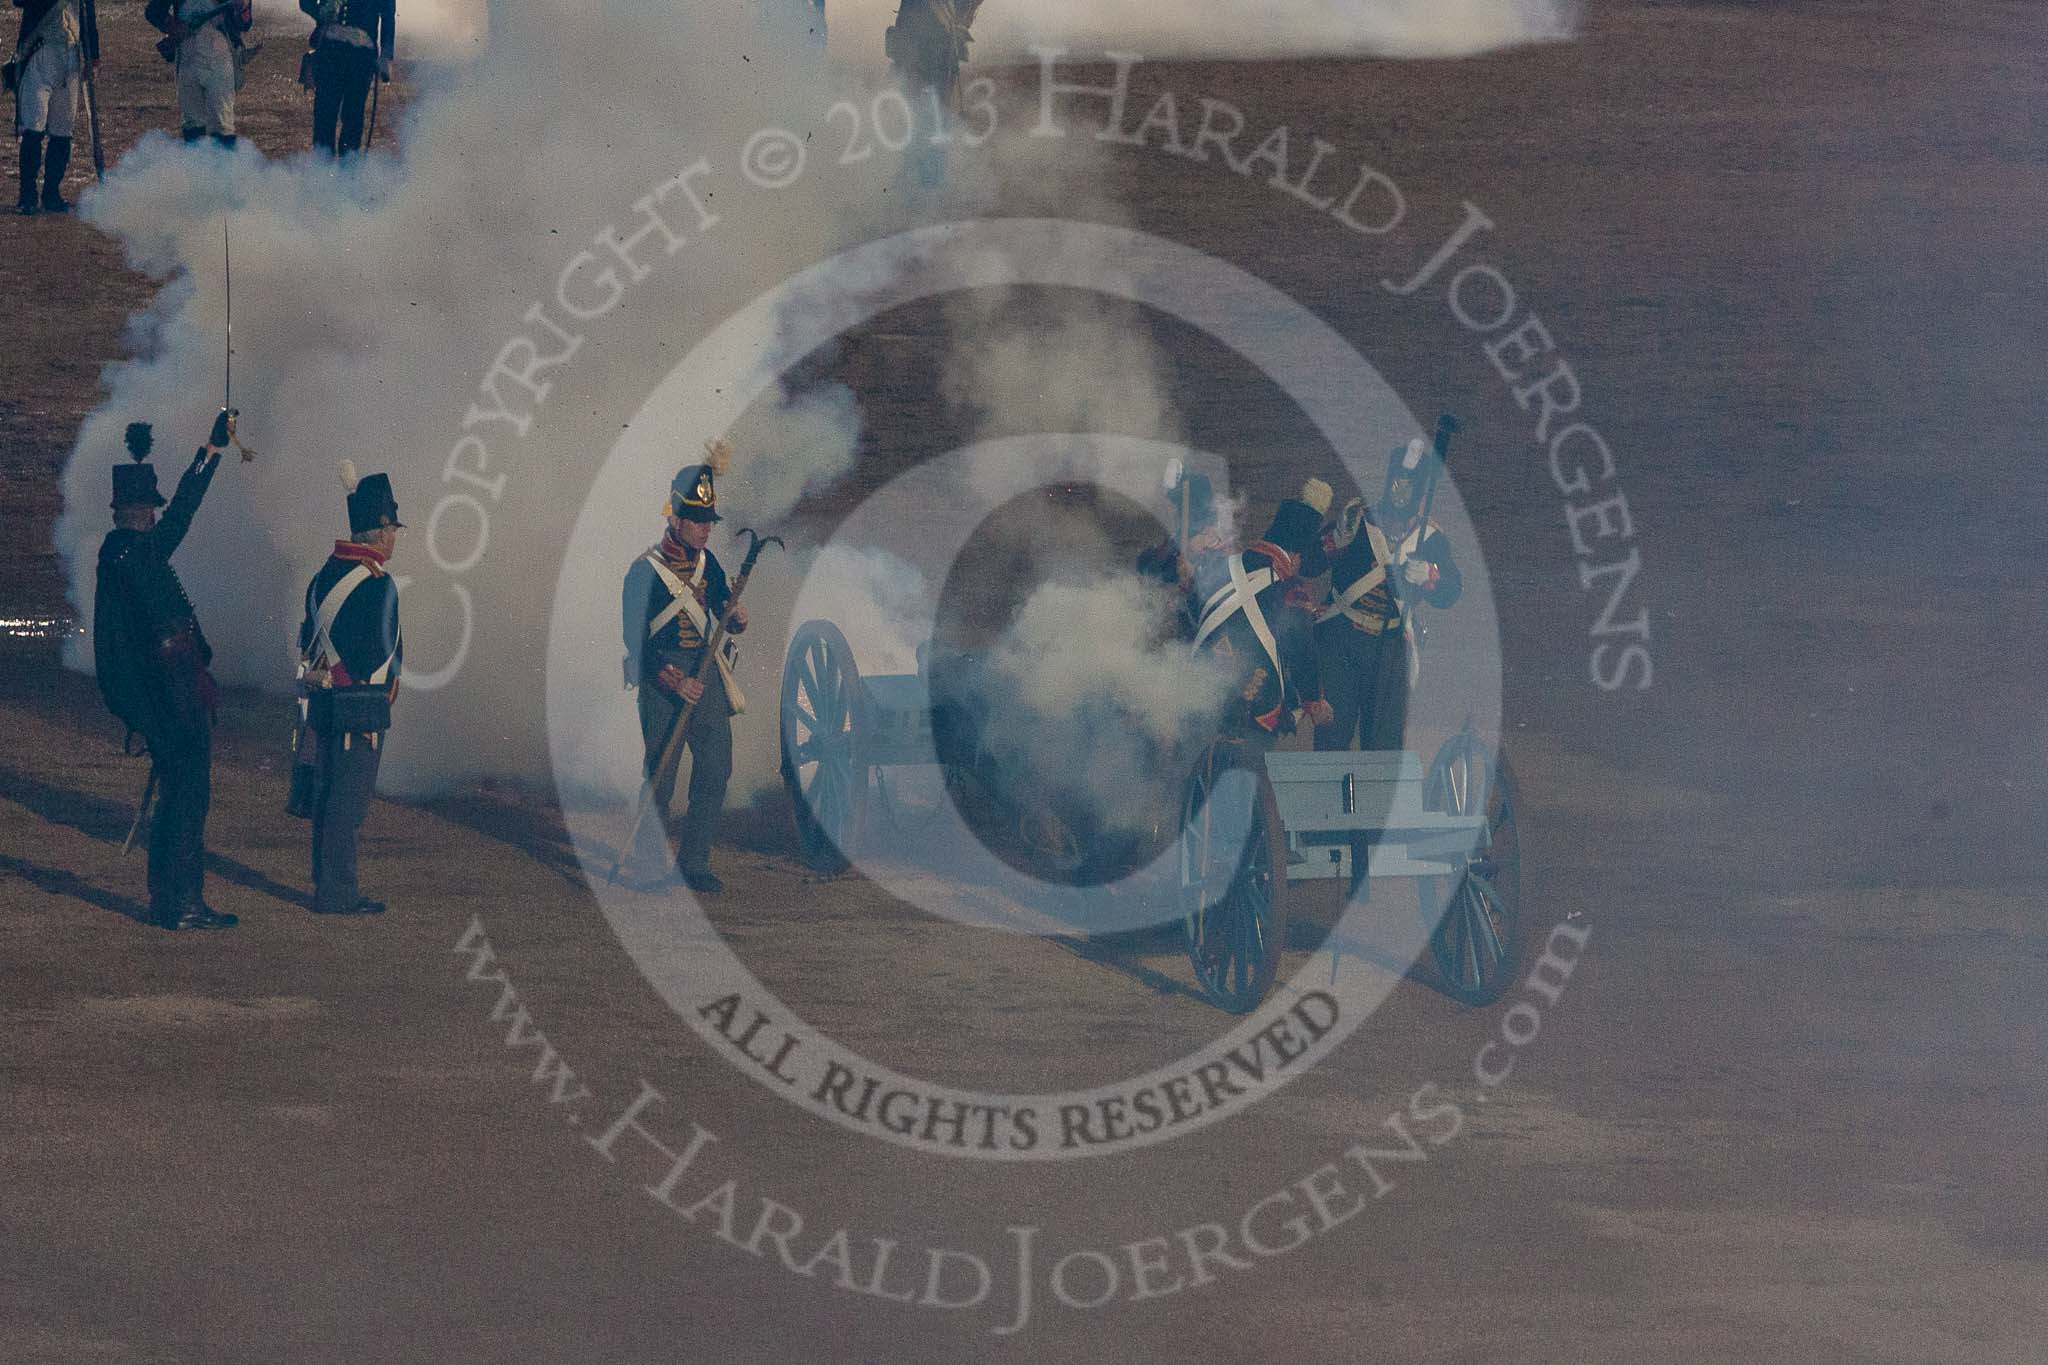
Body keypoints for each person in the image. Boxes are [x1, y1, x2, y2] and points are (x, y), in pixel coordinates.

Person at [93, 413, 234, 930]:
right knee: (186, 802)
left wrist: (210, 454)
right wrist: (208, 456)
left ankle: (170, 901)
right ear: (136, 511)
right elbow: (180, 520)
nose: (154, 515)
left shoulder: (126, 553)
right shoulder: (133, 557)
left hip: (166, 701)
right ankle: (182, 903)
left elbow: (178, 519)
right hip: (171, 701)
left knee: (181, 800)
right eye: (149, 508)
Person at [621, 441, 748, 894]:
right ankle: (648, 864)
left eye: (708, 521)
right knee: (662, 775)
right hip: (664, 680)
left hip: (705, 671)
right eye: (697, 520)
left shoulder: (708, 564)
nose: (705, 529)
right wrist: (672, 680)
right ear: (675, 519)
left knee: (716, 767)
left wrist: (735, 616)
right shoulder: (644, 572)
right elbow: (635, 641)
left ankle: (695, 862)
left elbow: (721, 607)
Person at [297, 461, 403, 916]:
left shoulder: (324, 574)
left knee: (327, 794)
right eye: (392, 529)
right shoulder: (378, 583)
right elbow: (384, 649)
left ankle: (327, 883)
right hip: (359, 704)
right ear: (379, 532)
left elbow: (307, 637)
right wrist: (379, 690)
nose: (394, 538)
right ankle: (338, 893)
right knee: (349, 801)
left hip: (323, 700)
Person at [1312, 438, 1463, 755]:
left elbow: (1451, 591)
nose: (1397, 521)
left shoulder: (1431, 538)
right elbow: (1312, 563)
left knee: (1384, 745)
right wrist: (1337, 536)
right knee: (1332, 738)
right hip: (1342, 642)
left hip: (1392, 648)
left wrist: (1430, 574)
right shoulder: (1357, 519)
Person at [1189, 478, 1334, 747]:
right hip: (1251, 708)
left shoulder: (1221, 567)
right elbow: (1301, 649)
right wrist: (1314, 700)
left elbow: (1193, 609)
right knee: (1250, 769)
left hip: (1202, 692)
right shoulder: (1291, 589)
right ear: (1296, 555)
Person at [9, 0, 98, 214]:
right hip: (39, 52)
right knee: (33, 128)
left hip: (70, 56)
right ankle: (28, 195)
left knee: (62, 130)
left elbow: (88, 14)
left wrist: (94, 56)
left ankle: (51, 193)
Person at [144, 0, 250, 147]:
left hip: (220, 53)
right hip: (188, 53)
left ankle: (225, 162)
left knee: (222, 124)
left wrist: (242, 8)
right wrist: (172, 26)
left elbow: (245, 23)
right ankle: (196, 162)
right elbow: (154, 11)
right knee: (193, 125)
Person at [300, 0, 392, 157]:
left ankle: (348, 169)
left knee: (353, 118)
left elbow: (388, 13)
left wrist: (386, 55)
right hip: (331, 49)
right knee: (325, 116)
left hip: (361, 54)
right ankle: (321, 168)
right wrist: (321, 14)